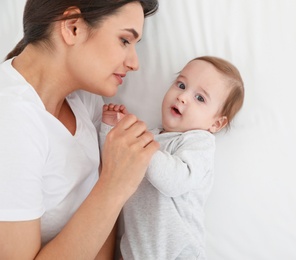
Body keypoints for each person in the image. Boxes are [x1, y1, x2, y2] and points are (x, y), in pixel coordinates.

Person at [0, 0, 160, 259]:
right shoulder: (10, 120)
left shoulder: (84, 100)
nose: (134, 63)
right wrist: (114, 184)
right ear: (73, 27)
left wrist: (109, 175)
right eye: (124, 40)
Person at [100, 56, 245, 259]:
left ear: (216, 124)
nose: (183, 96)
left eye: (200, 98)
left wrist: (139, 143)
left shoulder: (198, 142)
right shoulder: (149, 136)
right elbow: (111, 162)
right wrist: (110, 128)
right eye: (181, 84)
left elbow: (175, 181)